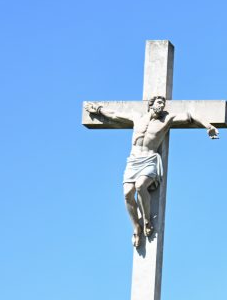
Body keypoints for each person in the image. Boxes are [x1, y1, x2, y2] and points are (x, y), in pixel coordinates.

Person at [84, 96, 219, 249]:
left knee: (141, 186)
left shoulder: (167, 120)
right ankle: (136, 226)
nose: (161, 105)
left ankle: (147, 219)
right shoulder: (137, 117)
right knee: (127, 194)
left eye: (163, 103)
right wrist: (98, 109)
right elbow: (115, 114)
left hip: (149, 159)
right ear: (151, 104)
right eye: (159, 102)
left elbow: (191, 114)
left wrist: (208, 126)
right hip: (133, 160)